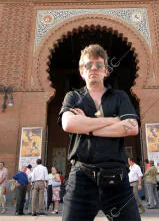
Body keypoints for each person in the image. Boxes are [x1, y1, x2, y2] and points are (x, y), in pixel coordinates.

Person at [58, 44, 141, 221]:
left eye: (99, 65)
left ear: (106, 71)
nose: (93, 69)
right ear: (82, 71)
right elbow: (68, 124)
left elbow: (132, 127)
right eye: (88, 65)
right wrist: (113, 120)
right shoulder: (73, 97)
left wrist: (87, 127)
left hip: (117, 179)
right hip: (81, 178)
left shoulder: (120, 96)